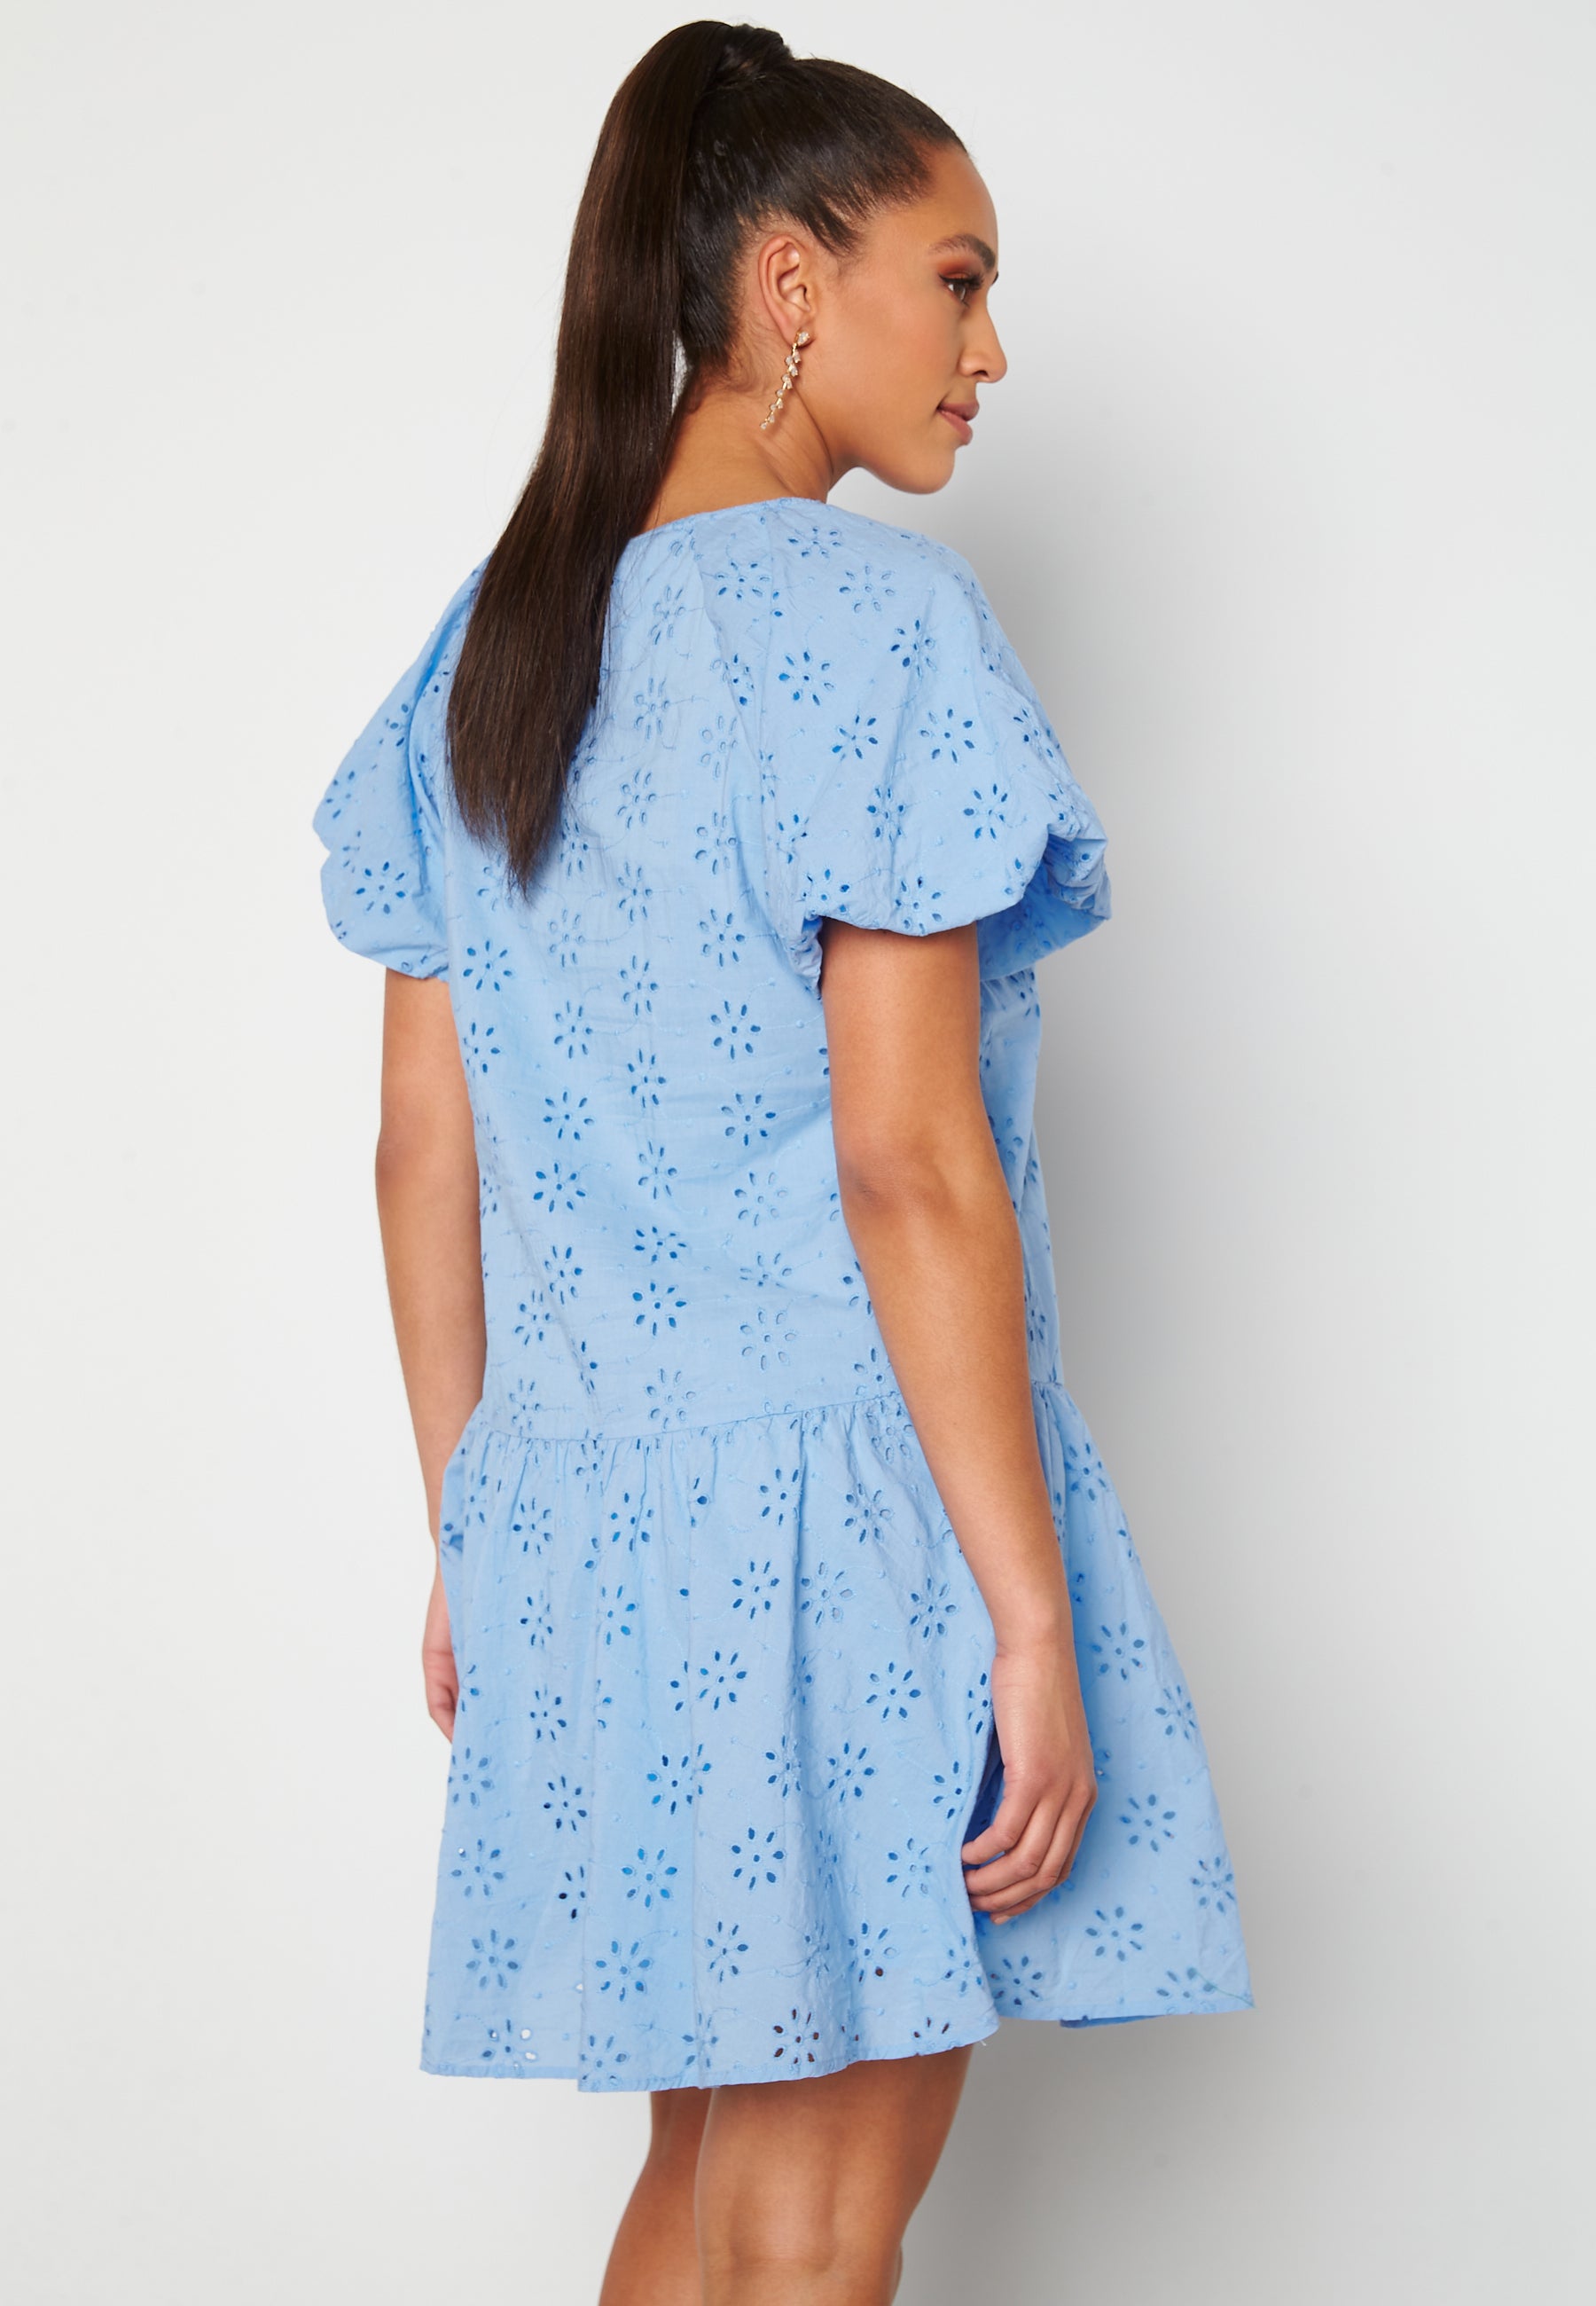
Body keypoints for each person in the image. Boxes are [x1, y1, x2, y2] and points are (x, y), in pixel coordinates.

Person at [311, 20, 1253, 2303]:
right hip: (852, 1524)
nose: (991, 351)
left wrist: (472, 1527)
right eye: (961, 280)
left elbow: (417, 1151)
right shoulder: (873, 628)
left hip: (585, 1521)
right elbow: (906, 1163)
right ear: (792, 286)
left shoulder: (489, 649)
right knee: (813, 2234)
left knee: (709, 2185)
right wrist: (1028, 1613)